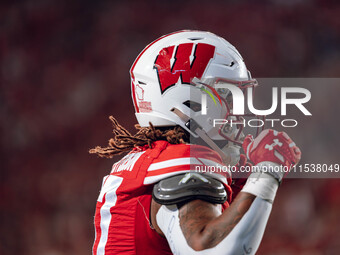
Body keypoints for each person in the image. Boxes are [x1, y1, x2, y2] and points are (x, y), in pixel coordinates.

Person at [90, 30, 301, 255]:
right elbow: (213, 251)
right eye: (230, 95)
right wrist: (268, 172)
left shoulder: (147, 159)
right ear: (189, 100)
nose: (240, 110)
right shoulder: (184, 161)